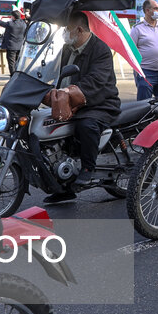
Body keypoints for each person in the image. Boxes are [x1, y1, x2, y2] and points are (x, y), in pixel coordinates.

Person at [41, 11, 123, 202]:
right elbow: (53, 71)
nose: (65, 33)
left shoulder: (100, 49)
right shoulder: (68, 49)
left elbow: (95, 82)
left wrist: (69, 93)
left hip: (100, 103)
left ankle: (88, 169)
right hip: (72, 101)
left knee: (86, 125)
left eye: (67, 29)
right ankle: (63, 185)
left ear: (78, 30)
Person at [0, 8, 26, 75]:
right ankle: (17, 77)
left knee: (11, 64)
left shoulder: (10, 24)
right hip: (20, 46)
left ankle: (12, 77)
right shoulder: (23, 24)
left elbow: (0, 22)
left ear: (13, 17)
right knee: (18, 63)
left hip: (11, 47)